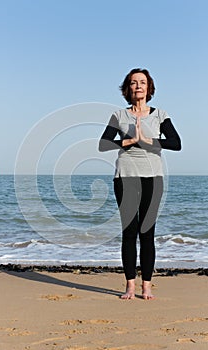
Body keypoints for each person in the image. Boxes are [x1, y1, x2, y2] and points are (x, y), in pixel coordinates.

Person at [99, 68, 181, 300]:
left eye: (142, 82)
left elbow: (176, 143)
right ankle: (130, 286)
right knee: (129, 231)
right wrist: (129, 141)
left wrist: (146, 140)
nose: (138, 86)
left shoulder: (159, 115)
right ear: (128, 88)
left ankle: (147, 286)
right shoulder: (119, 115)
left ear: (149, 87)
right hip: (125, 176)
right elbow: (104, 144)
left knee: (147, 231)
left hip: (153, 178)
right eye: (133, 82)